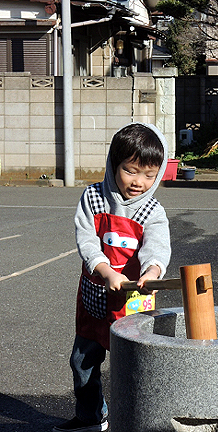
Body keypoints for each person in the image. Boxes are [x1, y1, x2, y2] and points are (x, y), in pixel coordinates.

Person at [53, 123, 171, 432]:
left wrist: (152, 271)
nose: (139, 182)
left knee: (133, 366)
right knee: (83, 361)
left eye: (149, 175)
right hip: (95, 295)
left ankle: (136, 420)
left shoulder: (153, 211)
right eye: (131, 171)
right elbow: (88, 241)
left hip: (134, 299)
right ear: (113, 163)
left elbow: (157, 246)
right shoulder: (93, 197)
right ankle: (91, 417)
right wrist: (105, 270)